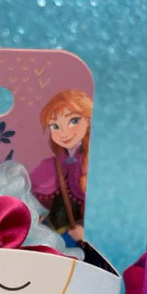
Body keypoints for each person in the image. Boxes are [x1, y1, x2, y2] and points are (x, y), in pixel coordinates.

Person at [30, 89, 92, 243]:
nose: (64, 133)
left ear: (88, 120)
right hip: (57, 235)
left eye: (73, 121)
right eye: (55, 126)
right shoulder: (52, 165)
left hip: (84, 240)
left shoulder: (95, 163)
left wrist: (87, 232)